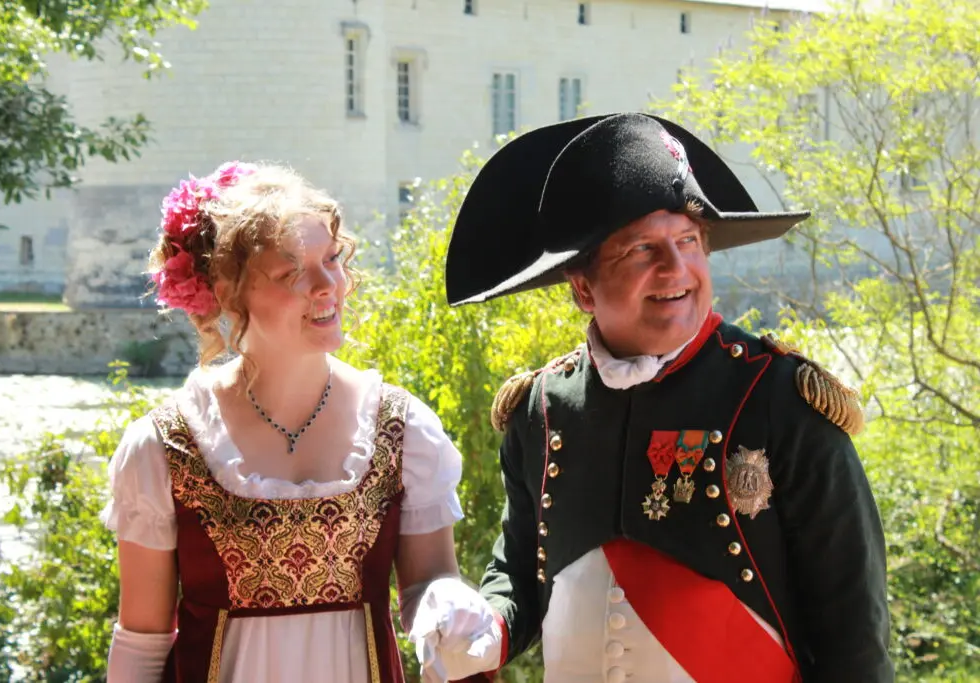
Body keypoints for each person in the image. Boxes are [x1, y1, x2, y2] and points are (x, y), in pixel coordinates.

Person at [418, 113, 894, 683]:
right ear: (583, 287)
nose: (676, 269)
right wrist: (482, 628)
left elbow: (853, 637)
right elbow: (521, 571)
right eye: (641, 249)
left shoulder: (780, 400)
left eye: (688, 241)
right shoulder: (540, 410)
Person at [101, 161, 481, 682]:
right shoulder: (166, 446)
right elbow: (142, 641)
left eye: (331, 259)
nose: (328, 285)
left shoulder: (401, 428)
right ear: (229, 293)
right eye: (292, 273)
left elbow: (429, 583)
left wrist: (448, 605)